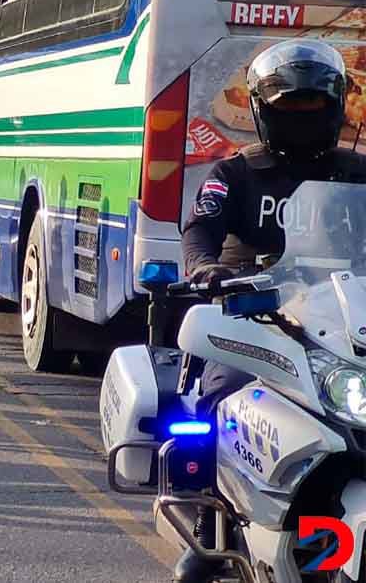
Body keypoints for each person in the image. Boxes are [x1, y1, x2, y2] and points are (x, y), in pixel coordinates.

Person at [175, 40, 366, 581]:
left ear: (335, 109)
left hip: (339, 321)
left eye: (313, 107)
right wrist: (205, 268)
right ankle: (213, 532)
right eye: (289, 108)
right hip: (252, 315)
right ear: (262, 111)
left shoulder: (358, 173)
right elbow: (199, 229)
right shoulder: (235, 173)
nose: (302, 118)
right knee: (221, 397)